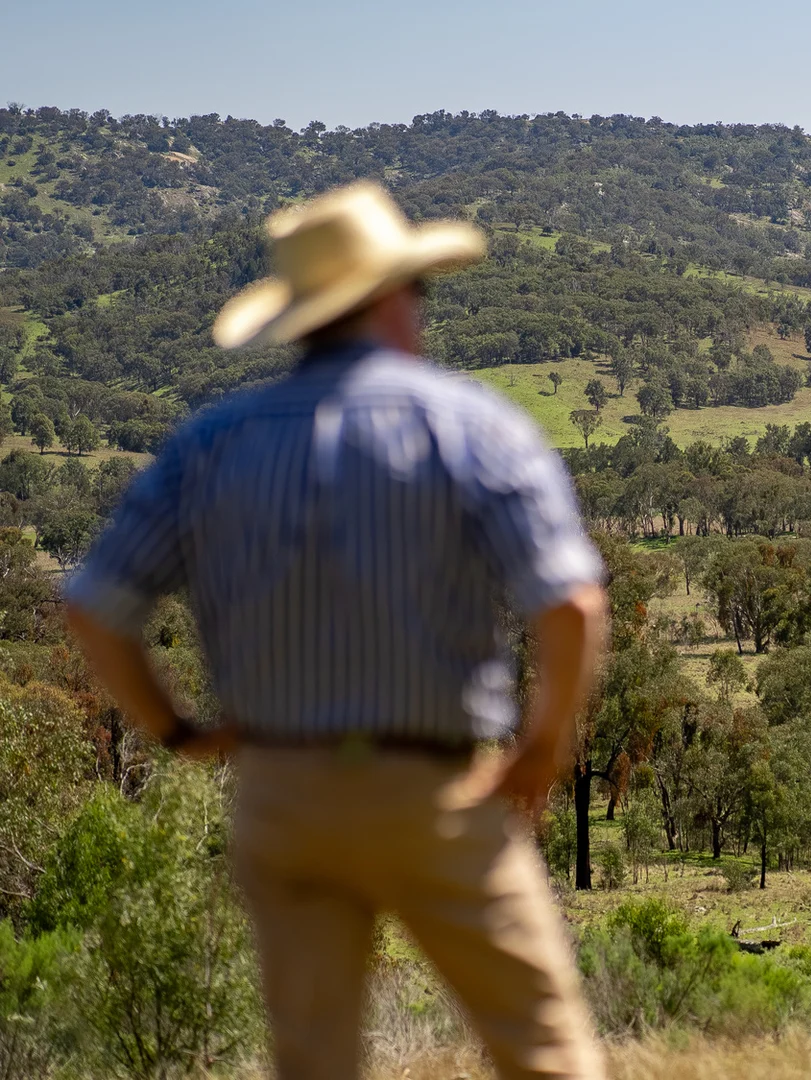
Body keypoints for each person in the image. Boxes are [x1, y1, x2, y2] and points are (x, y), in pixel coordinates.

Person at [64, 181, 609, 1080]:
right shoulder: (470, 425)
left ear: (302, 318)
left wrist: (178, 731)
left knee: (313, 1062)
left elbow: (94, 605)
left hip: (283, 796)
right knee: (544, 1049)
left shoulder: (210, 444)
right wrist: (543, 749)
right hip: (437, 792)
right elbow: (572, 604)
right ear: (394, 300)